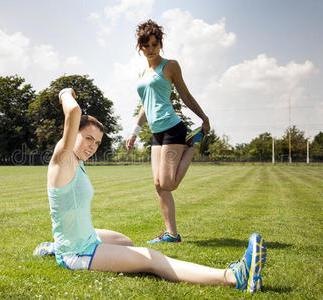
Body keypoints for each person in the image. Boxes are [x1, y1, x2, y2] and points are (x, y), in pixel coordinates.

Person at [34, 88, 267, 293]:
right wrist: (64, 92)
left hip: (84, 236)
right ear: (72, 134)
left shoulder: (78, 161)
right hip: (77, 252)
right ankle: (233, 276)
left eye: (97, 142)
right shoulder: (63, 158)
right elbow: (73, 113)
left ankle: (55, 245)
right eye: (88, 138)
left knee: (124, 241)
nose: (92, 146)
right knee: (151, 258)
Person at [126, 20, 210, 243]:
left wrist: (203, 117)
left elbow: (185, 95)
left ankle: (193, 143)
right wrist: (134, 132)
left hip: (173, 128)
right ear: (140, 47)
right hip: (157, 133)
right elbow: (146, 104)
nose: (151, 49)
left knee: (169, 184)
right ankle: (171, 234)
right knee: (158, 185)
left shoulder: (170, 66)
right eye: (147, 45)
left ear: (160, 44)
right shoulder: (142, 73)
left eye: (155, 44)